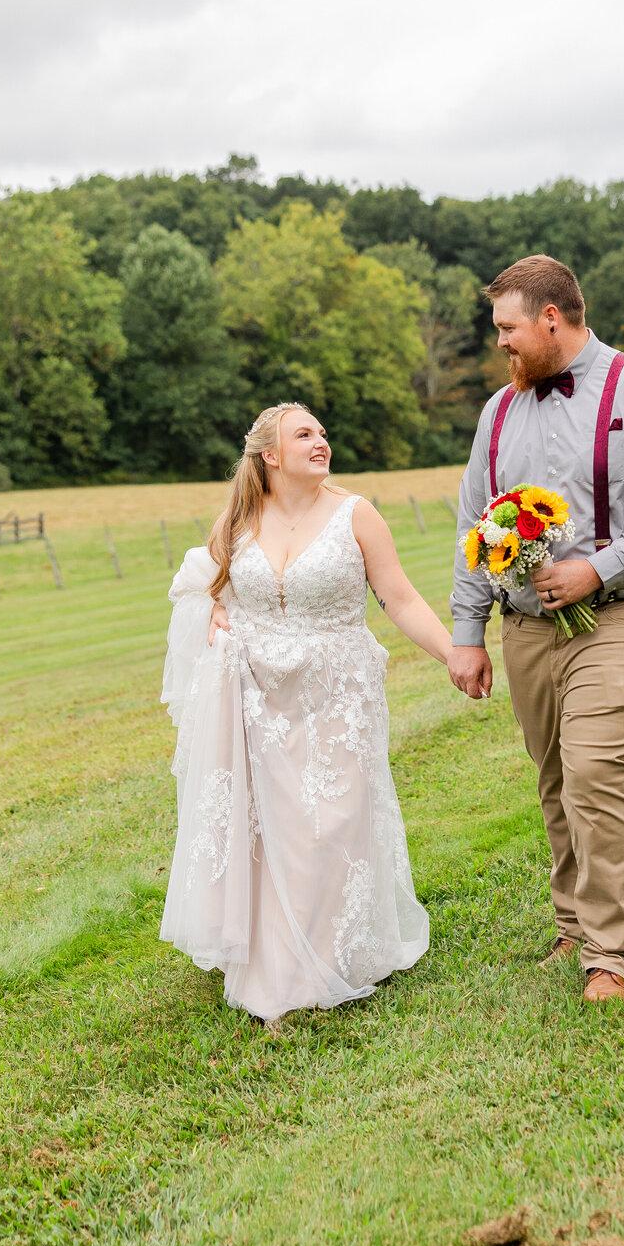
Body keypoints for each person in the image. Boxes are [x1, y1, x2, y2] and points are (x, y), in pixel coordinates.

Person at [446, 255, 624, 1003]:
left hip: (623, 616)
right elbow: (475, 525)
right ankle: (572, 924)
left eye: (508, 328)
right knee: (557, 779)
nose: (501, 342)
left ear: (551, 318)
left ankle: (612, 952)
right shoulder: (497, 414)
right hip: (527, 631)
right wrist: (468, 630)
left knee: (595, 772)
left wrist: (598, 570)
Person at [160, 403, 452, 1024]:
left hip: (335, 697)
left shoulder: (356, 515)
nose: (321, 441)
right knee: (274, 829)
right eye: (304, 434)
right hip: (256, 697)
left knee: (329, 825)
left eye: (322, 432)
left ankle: (332, 954)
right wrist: (214, 611)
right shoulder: (239, 519)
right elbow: (196, 583)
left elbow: (399, 598)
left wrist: (453, 654)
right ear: (270, 455)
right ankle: (278, 965)